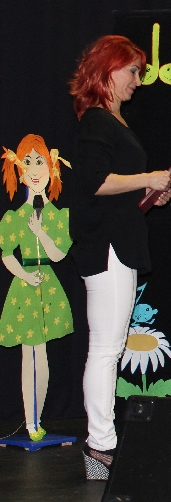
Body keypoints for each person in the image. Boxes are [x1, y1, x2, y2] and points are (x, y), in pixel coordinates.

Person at [70, 35, 171, 480]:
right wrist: (147, 178)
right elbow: (94, 182)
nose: (138, 80)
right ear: (108, 69)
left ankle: (102, 443)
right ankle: (101, 444)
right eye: (132, 71)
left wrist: (150, 192)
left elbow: (114, 188)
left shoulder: (111, 120)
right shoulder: (98, 119)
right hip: (107, 246)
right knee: (106, 348)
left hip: (117, 242)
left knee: (107, 347)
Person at [1, 134, 73, 442]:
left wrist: (41, 233)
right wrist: (25, 276)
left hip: (49, 288)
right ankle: (30, 421)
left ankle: (37, 419)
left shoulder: (58, 216)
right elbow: (7, 254)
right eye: (28, 162)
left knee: (41, 354)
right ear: (19, 170)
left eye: (40, 162)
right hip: (26, 287)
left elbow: (58, 254)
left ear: (51, 167)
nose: (34, 170)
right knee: (28, 354)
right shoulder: (15, 217)